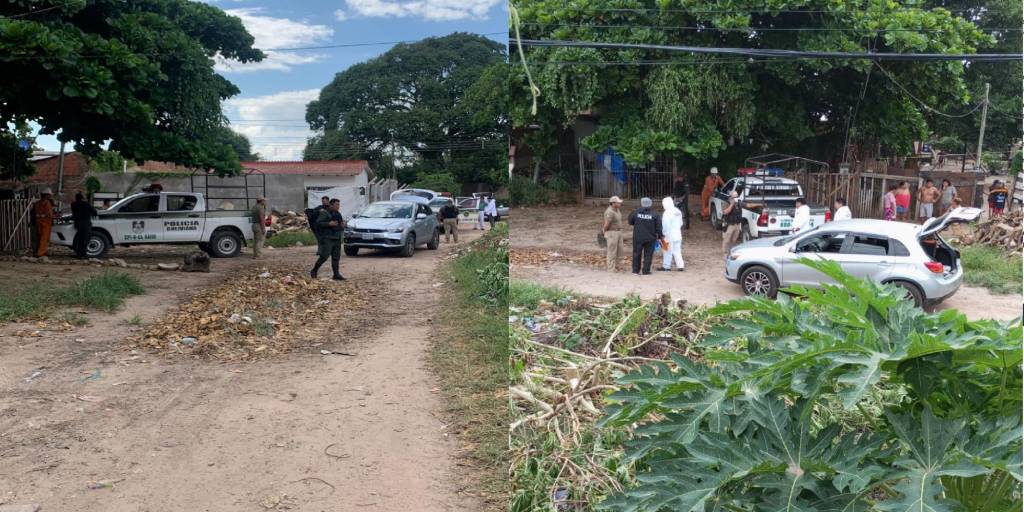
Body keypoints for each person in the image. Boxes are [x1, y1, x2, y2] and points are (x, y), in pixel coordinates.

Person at [311, 198, 346, 281]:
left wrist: (343, 226)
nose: (338, 206)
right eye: (336, 205)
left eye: (339, 205)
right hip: (328, 238)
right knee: (324, 256)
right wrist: (328, 224)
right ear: (331, 205)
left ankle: (336, 274)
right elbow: (317, 223)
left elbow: (340, 224)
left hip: (337, 238)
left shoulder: (338, 213)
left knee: (336, 257)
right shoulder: (324, 213)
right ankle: (314, 270)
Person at [628, 197, 663, 275]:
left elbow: (630, 221)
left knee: (636, 253)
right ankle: (646, 271)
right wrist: (660, 236)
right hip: (650, 238)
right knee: (648, 254)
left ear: (641, 203)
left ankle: (635, 270)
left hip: (638, 237)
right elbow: (659, 227)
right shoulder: (655, 214)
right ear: (650, 204)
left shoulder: (636, 212)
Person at [659, 196, 684, 272]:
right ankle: (680, 266)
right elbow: (681, 223)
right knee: (677, 251)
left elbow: (665, 225)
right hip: (678, 235)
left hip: (668, 236)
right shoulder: (678, 211)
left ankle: (666, 266)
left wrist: (663, 234)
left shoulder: (666, 213)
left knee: (667, 251)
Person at [70, 192, 98, 259]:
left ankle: (79, 253)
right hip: (85, 224)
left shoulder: (73, 204)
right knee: (85, 239)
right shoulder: (86, 204)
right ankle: (83, 254)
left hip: (77, 223)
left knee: (80, 238)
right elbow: (94, 212)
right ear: (82, 198)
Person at [602, 196, 625, 272]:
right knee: (612, 251)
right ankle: (611, 268)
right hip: (612, 233)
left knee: (620, 250)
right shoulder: (609, 212)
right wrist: (604, 231)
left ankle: (617, 266)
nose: (620, 203)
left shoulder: (617, 209)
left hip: (618, 232)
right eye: (618, 202)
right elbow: (607, 224)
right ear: (613, 203)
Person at [33, 188, 55, 257]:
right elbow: (49, 214)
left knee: (39, 238)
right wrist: (55, 216)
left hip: (38, 222)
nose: (50, 196)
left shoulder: (37, 203)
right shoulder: (47, 203)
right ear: (46, 195)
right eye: (49, 195)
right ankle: (41, 253)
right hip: (45, 223)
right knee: (44, 238)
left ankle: (37, 252)